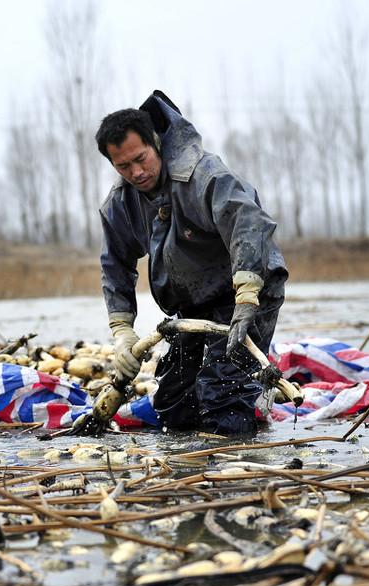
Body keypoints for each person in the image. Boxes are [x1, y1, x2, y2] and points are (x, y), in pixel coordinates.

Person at [95, 90, 287, 437]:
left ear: (156, 143)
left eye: (141, 159)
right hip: (195, 307)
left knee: (222, 394)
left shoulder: (202, 175)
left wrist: (246, 297)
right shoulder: (121, 204)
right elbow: (115, 265)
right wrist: (122, 332)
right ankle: (188, 466)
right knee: (175, 402)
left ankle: (236, 464)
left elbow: (246, 221)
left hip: (246, 290)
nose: (137, 172)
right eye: (124, 166)